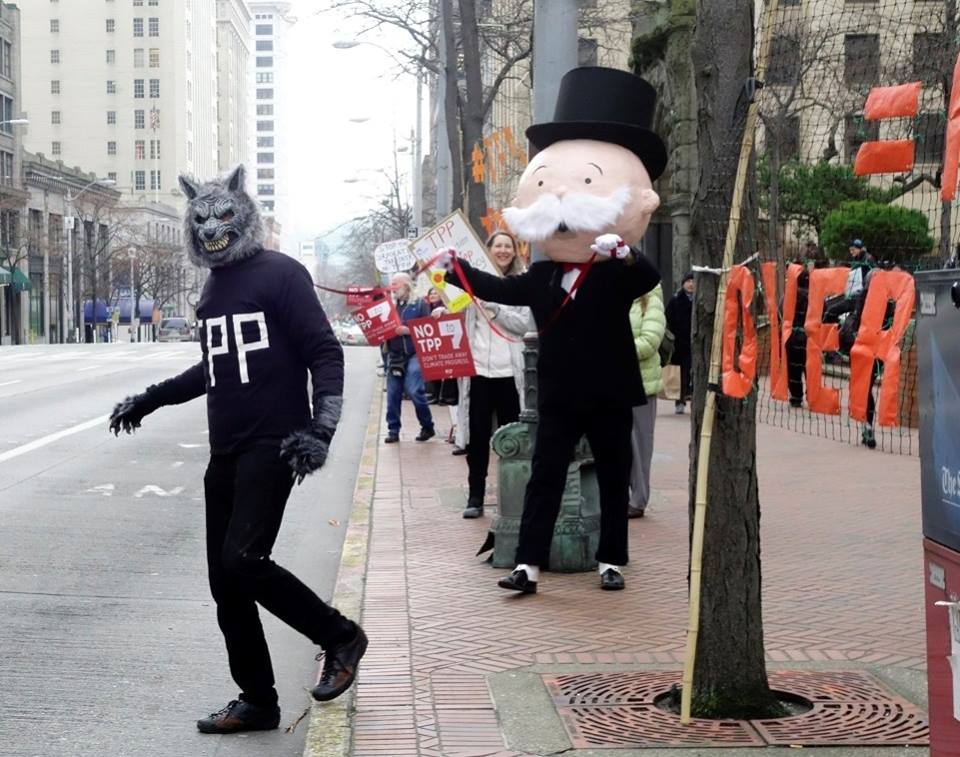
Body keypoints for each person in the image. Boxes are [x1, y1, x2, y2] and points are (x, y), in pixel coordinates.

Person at [108, 166, 366, 734]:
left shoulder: (282, 273)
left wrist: (320, 429)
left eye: (223, 216)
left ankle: (340, 636)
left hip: (274, 442)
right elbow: (215, 366)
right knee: (226, 583)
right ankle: (258, 701)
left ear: (242, 214)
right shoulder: (213, 287)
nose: (211, 228)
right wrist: (149, 400)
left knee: (244, 560)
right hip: (224, 449)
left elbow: (325, 352)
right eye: (200, 220)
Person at [441, 66, 665, 594]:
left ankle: (611, 560)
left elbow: (649, 279)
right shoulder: (541, 276)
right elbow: (498, 289)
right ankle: (528, 564)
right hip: (560, 394)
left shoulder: (615, 271)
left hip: (610, 391)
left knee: (613, 473)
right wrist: (455, 269)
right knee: (546, 473)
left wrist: (626, 254)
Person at [436, 230, 532, 519]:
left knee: (513, 439)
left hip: (510, 375)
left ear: (515, 251)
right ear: (488, 250)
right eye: (497, 246)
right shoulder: (471, 283)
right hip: (478, 372)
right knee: (477, 439)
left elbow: (524, 325)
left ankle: (513, 496)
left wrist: (495, 310)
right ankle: (475, 496)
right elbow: (458, 312)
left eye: (508, 246)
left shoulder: (522, 283)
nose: (503, 250)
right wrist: (443, 315)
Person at [384, 273, 436, 444]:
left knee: (414, 390)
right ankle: (393, 430)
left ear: (406, 285)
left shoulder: (420, 304)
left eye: (396, 284)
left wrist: (408, 330)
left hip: (415, 354)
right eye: (391, 284)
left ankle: (427, 425)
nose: (393, 288)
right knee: (393, 394)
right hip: (394, 355)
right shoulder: (389, 306)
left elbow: (429, 328)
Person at [628, 283, 665, 518]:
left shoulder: (650, 299)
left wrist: (615, 349)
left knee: (640, 443)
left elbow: (650, 341)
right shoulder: (610, 294)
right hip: (611, 383)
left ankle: (638, 499)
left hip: (642, 385)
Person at [665, 272, 694, 414]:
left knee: (694, 373)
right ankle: (680, 401)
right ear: (683, 283)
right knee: (680, 374)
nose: (691, 284)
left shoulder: (701, 299)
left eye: (693, 281)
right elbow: (668, 318)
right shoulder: (675, 299)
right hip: (680, 344)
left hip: (695, 343)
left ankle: (694, 399)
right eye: (688, 281)